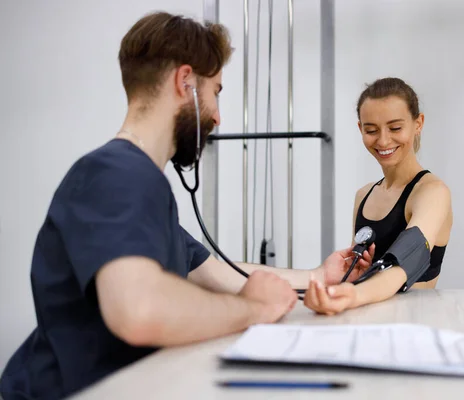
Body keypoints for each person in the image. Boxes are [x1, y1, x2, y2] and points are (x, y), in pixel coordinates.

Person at [0, 11, 373, 400]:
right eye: (216, 91)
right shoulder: (115, 175)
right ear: (185, 82)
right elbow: (139, 310)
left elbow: (219, 273)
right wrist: (252, 311)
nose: (217, 114)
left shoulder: (138, 185)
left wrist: (320, 274)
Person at [303, 77, 453, 315]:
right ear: (360, 129)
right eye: (371, 130)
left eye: (395, 128)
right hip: (366, 317)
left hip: (416, 323)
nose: (383, 140)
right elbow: (354, 270)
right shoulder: (363, 195)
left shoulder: (432, 192)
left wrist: (352, 294)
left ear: (418, 123)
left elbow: (406, 261)